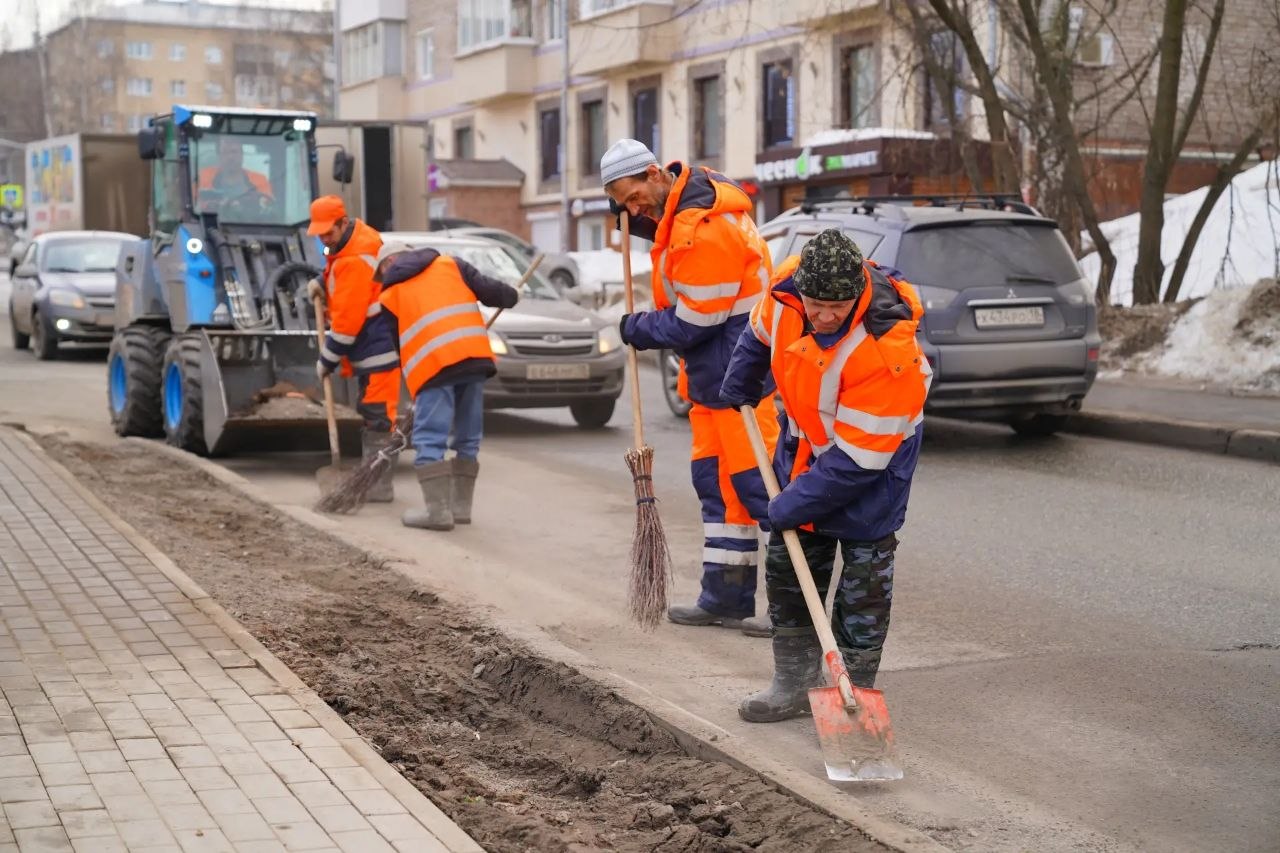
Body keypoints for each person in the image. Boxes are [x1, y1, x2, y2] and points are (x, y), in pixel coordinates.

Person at [719, 229, 931, 722]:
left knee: (864, 580)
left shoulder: (886, 348)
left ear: (858, 292)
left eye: (839, 306)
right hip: (806, 442)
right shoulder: (787, 292)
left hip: (875, 459)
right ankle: (793, 683)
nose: (827, 315)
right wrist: (742, 376)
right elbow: (760, 331)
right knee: (789, 565)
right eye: (817, 305)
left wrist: (788, 506)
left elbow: (856, 462)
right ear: (802, 294)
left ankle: (850, 692)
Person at [601, 138, 779, 637]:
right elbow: (665, 232)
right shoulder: (682, 210)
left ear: (655, 173)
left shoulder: (704, 228)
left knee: (764, 489)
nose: (633, 210)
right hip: (710, 379)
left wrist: (637, 328)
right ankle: (726, 596)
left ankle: (792, 606)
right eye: (623, 204)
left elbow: (696, 321)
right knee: (718, 489)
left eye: (634, 197)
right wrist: (632, 217)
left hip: (741, 381)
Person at [375, 242, 519, 531]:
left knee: (430, 437)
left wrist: (413, 386)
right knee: (468, 436)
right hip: (473, 360)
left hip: (433, 368)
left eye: (381, 273)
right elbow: (498, 294)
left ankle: (437, 512)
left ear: (387, 263)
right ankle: (460, 509)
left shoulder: (390, 295)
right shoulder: (451, 265)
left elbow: (398, 347)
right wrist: (513, 294)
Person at [307, 195, 401, 502]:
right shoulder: (355, 241)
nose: (324, 238)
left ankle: (379, 487)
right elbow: (343, 278)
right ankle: (372, 482)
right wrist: (322, 281)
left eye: (328, 232)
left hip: (378, 348)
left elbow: (347, 324)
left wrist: (327, 360)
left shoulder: (354, 258)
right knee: (373, 412)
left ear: (343, 223)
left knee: (379, 416)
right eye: (319, 233)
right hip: (373, 346)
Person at [199, 137, 273, 200]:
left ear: (242, 155)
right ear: (219, 156)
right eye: (225, 152)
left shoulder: (260, 181)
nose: (230, 157)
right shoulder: (203, 177)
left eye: (234, 152)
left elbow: (269, 207)